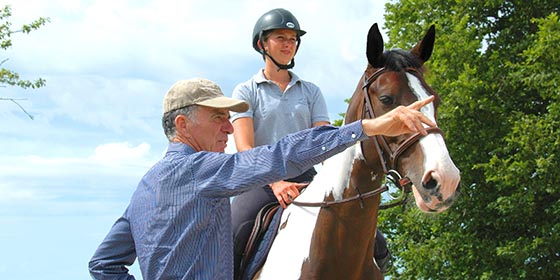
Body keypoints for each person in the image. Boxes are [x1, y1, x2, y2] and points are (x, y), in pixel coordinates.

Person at [88, 77, 436, 279]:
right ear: (182, 125)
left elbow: (103, 263)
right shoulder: (200, 170)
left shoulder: (144, 188)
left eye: (229, 118)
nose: (228, 127)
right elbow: (279, 155)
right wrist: (368, 127)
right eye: (218, 117)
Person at [229, 8, 391, 276]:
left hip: (307, 178)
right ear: (262, 44)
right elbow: (245, 148)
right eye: (281, 37)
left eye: (293, 39)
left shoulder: (311, 92)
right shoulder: (246, 91)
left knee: (376, 243)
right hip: (260, 182)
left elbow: (326, 143)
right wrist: (275, 182)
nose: (288, 44)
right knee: (234, 235)